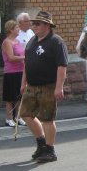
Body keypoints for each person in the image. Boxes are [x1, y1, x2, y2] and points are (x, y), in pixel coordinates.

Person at [20, 11, 68, 163]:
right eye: (33, 24)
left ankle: (50, 149)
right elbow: (26, 65)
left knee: (47, 118)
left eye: (37, 24)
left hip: (48, 85)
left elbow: (62, 66)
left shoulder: (56, 42)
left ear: (47, 25)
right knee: (26, 114)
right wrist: (23, 83)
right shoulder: (31, 42)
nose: (34, 26)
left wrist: (59, 87)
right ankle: (41, 143)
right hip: (32, 86)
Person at [1, 19, 26, 128]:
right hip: (11, 72)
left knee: (20, 96)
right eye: (16, 28)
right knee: (10, 97)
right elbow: (11, 58)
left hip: (21, 71)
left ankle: (18, 117)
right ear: (11, 30)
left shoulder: (18, 42)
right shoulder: (7, 42)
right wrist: (25, 57)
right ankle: (9, 118)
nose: (19, 29)